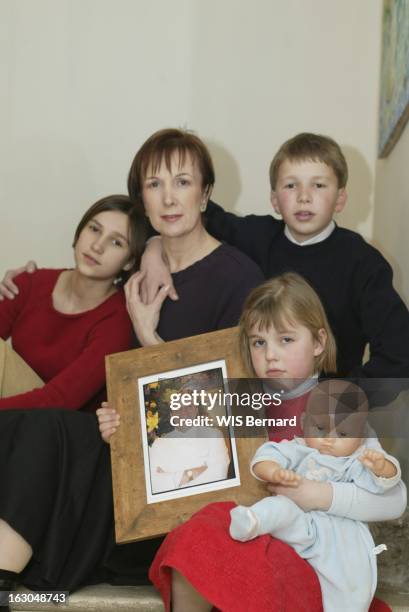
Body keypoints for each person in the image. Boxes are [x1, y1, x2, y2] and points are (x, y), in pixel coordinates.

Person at [0, 129, 263, 608]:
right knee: (54, 432)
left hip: (189, 476)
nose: (168, 197)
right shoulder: (137, 278)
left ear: (205, 195)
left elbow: (240, 408)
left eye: (182, 183)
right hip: (127, 453)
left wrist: (149, 340)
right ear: (141, 197)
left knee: (53, 432)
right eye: (153, 184)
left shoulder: (240, 277)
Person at [148, 274, 406, 612]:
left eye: (286, 340)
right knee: (198, 533)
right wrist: (124, 425)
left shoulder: (336, 405)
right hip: (249, 534)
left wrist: (318, 495)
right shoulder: (234, 400)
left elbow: (395, 500)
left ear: (317, 343)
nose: (271, 355)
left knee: (218, 533)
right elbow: (181, 447)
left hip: (313, 555)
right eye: (258, 343)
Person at [133, 132, 409, 381]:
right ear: (274, 200)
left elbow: (399, 352)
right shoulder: (256, 236)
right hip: (262, 404)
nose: (304, 197)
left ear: (340, 199)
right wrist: (153, 249)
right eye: (291, 186)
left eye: (319, 186)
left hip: (331, 417)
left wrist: (341, 399)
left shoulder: (363, 262)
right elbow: (175, 212)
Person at [230, 379, 401, 612]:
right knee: (280, 507)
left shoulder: (354, 461)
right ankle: (251, 521)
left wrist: (381, 468)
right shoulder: (299, 448)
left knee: (353, 582)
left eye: (342, 433)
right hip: (301, 523)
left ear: (360, 437)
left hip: (340, 536)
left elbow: (383, 486)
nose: (328, 439)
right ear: (303, 422)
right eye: (320, 428)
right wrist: (274, 471)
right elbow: (268, 454)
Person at [0, 194, 145, 411]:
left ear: (129, 261)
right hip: (16, 415)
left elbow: (60, 400)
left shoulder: (118, 321)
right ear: (79, 233)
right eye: (94, 229)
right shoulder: (28, 282)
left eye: (116, 242)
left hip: (63, 428)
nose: (97, 246)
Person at [148, 380, 230, 494]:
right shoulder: (158, 444)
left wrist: (171, 478)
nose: (184, 411)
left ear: (196, 410)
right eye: (178, 407)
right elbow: (155, 486)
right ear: (172, 414)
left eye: (188, 406)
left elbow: (219, 476)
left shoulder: (214, 435)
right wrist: (197, 471)